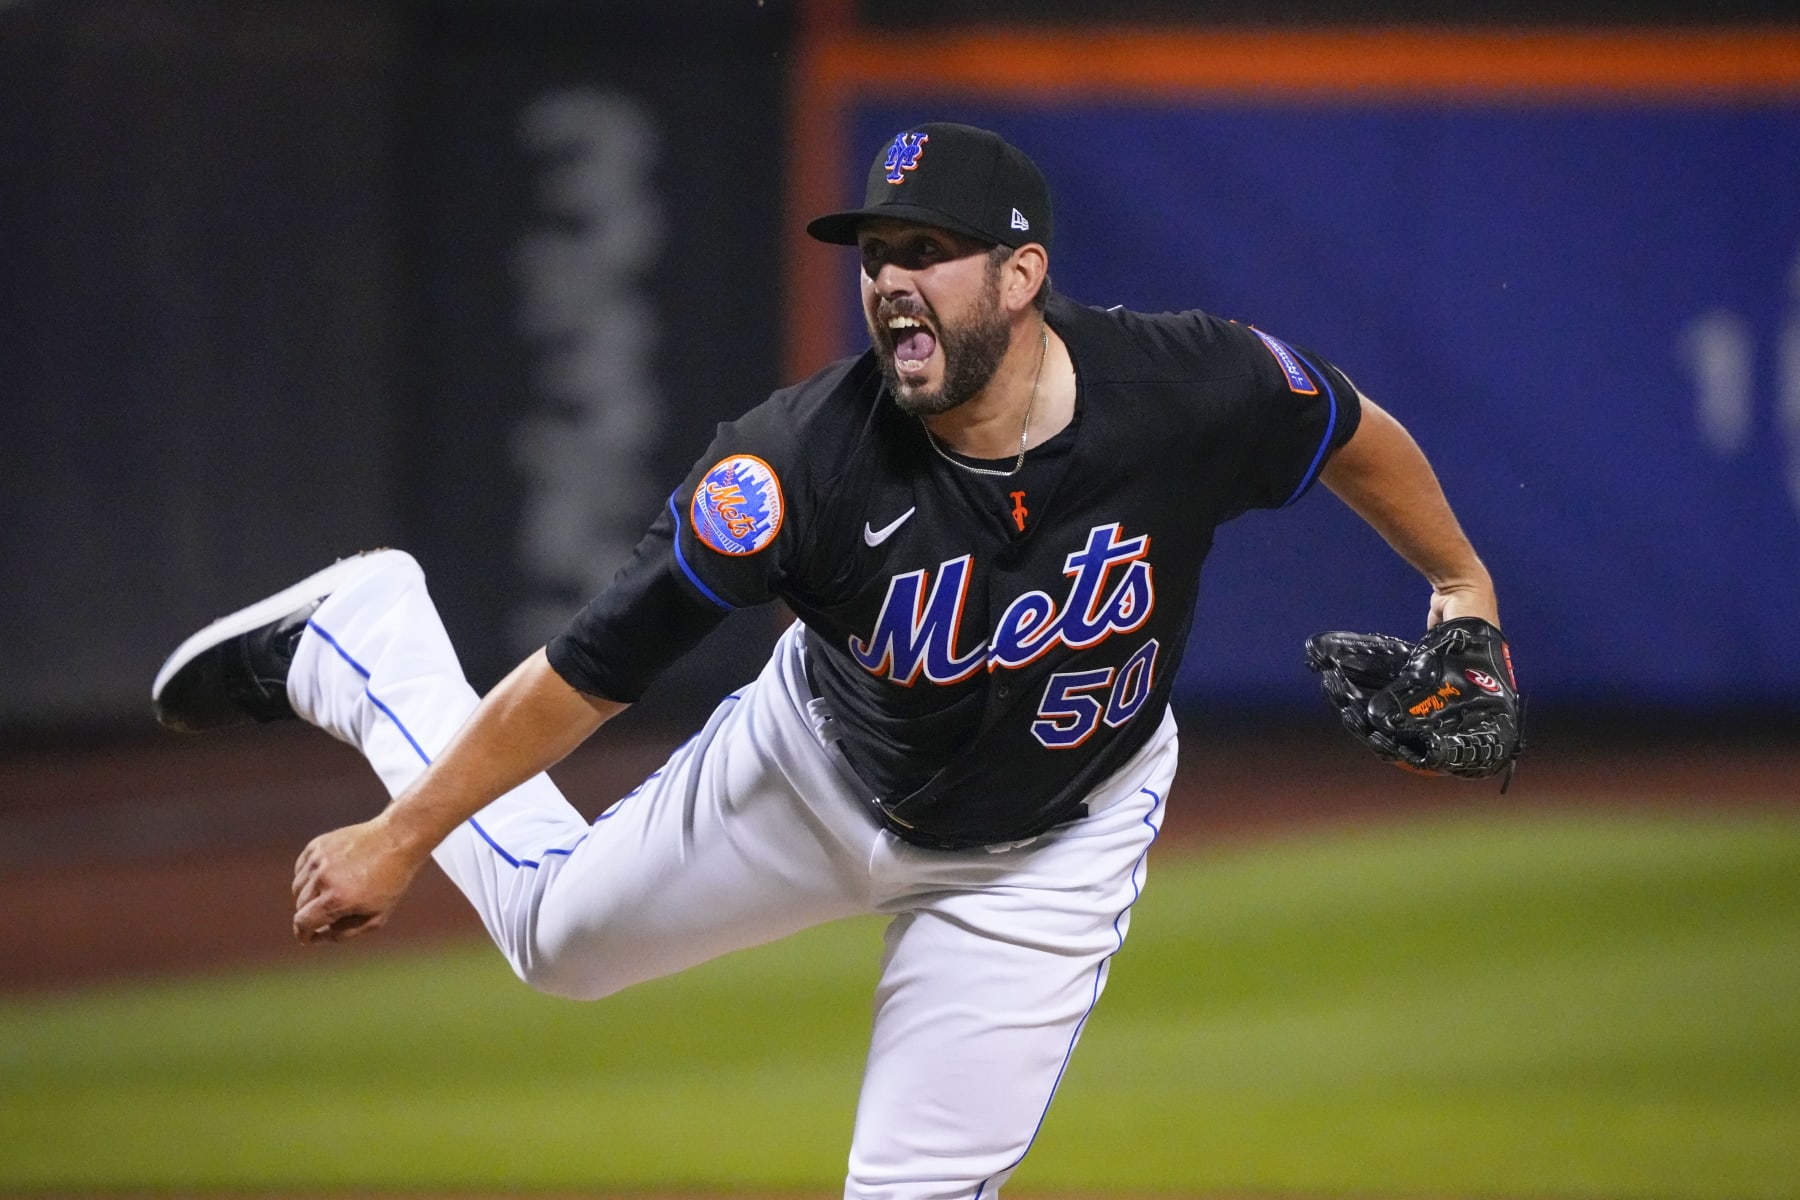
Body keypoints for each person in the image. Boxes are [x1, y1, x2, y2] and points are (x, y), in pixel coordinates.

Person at [153, 122, 1500, 1198]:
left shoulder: (1187, 387)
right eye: (874, 254)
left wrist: (1461, 587)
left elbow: (1349, 428)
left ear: (1022, 276)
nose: (890, 280)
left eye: (929, 249)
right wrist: (403, 833)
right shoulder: (793, 463)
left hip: (1044, 852)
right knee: (556, 944)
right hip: (811, 772)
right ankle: (363, 636)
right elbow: (591, 673)